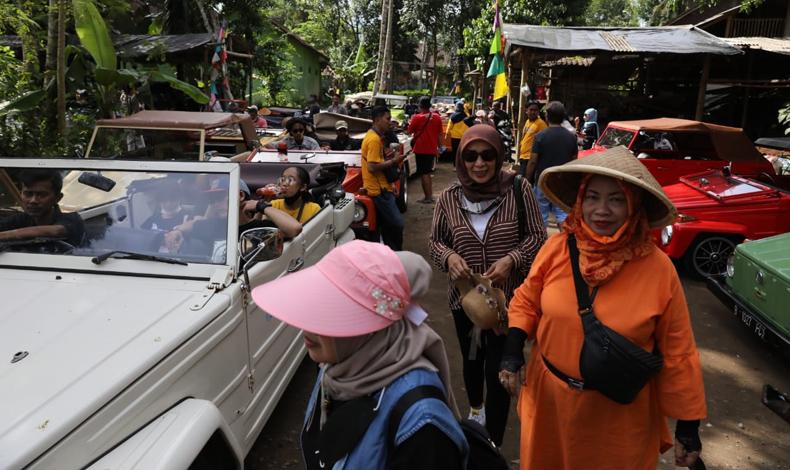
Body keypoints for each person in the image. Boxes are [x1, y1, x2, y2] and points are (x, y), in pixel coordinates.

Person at [499, 146, 706, 469]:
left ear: (634, 205)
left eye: (616, 199)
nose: (602, 210)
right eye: (593, 197)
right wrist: (512, 350)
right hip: (550, 404)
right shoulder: (558, 247)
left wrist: (689, 425)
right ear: (580, 201)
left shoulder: (658, 269)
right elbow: (527, 298)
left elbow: (678, 350)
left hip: (618, 417)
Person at [251, 240, 468, 469]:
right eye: (314, 306)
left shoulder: (423, 426)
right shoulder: (338, 369)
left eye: (329, 311)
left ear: (373, 327)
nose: (308, 326)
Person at [429, 125, 547, 446]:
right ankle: (476, 408)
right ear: (461, 159)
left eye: (487, 155)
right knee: (471, 362)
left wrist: (512, 259)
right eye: (470, 156)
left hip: (508, 304)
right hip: (464, 301)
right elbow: (436, 242)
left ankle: (492, 441)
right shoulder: (450, 198)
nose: (479, 163)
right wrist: (449, 256)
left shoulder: (518, 189)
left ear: (498, 156)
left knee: (500, 371)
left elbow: (537, 236)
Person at [0, 169, 85, 247]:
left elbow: (56, 231)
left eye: (42, 195)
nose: (33, 200)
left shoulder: (73, 219)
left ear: (58, 198)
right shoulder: (19, 220)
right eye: (28, 194)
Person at [526, 101, 578, 228]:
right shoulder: (571, 137)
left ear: (547, 116)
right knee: (562, 215)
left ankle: (543, 245)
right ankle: (565, 244)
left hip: (543, 181)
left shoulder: (540, 136)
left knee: (541, 215)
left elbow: (533, 161)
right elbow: (574, 161)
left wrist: (527, 180)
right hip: (562, 183)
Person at [362, 105, 405, 251]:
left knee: (384, 225)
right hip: (378, 191)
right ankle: (395, 254)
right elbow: (372, 167)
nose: (389, 122)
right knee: (397, 224)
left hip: (381, 187)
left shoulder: (374, 137)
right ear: (377, 119)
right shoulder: (373, 140)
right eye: (387, 119)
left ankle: (388, 253)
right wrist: (394, 161)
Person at [406, 97, 443, 204]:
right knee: (427, 172)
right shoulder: (437, 117)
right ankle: (429, 196)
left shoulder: (417, 117)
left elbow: (409, 131)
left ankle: (428, 197)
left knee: (424, 173)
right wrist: (440, 147)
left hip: (421, 149)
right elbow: (440, 134)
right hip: (431, 149)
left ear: (420, 106)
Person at [517, 102, 548, 177]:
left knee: (526, 182)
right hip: (523, 157)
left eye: (535, 110)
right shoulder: (527, 121)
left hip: (530, 159)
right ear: (526, 110)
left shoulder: (541, 124)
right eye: (531, 110)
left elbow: (544, 141)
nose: (533, 112)